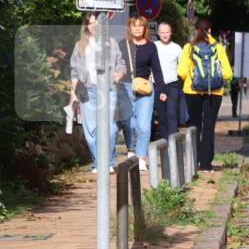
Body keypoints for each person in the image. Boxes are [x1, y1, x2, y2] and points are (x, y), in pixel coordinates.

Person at [69, 12, 125, 173]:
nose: (94, 26)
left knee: (111, 128)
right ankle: (98, 163)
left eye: (96, 23)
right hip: (88, 90)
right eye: (91, 23)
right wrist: (73, 92)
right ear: (86, 25)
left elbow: (121, 64)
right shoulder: (80, 46)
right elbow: (74, 71)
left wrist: (119, 74)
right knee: (91, 130)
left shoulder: (111, 43)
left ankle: (108, 162)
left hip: (109, 89)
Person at [178, 18, 233, 173]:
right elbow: (228, 73)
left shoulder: (188, 47)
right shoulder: (219, 47)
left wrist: (192, 77)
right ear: (210, 30)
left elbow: (181, 72)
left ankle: (193, 161)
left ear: (196, 30)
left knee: (194, 125)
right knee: (209, 126)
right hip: (214, 92)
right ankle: (206, 164)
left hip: (192, 90)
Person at [121, 16, 167, 171]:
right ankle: (131, 150)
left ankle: (141, 157)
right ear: (130, 27)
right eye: (134, 25)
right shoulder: (123, 44)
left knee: (144, 125)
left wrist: (162, 90)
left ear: (145, 28)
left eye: (140, 26)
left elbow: (157, 69)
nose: (137, 28)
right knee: (129, 123)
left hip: (145, 88)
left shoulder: (150, 46)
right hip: (126, 87)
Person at [154, 21, 183, 139]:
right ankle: (165, 140)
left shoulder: (177, 48)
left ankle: (172, 141)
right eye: (162, 32)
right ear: (158, 33)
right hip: (157, 85)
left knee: (171, 113)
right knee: (161, 115)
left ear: (171, 33)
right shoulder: (153, 46)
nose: (165, 35)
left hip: (172, 85)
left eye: (167, 32)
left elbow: (182, 66)